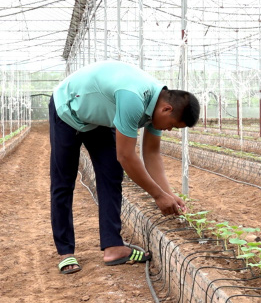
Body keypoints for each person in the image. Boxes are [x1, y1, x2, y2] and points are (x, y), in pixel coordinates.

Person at [49, 60, 200, 274]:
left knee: (111, 176)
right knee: (63, 181)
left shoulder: (156, 106)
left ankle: (114, 248)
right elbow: (126, 156)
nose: (170, 129)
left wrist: (169, 194)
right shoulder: (134, 98)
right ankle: (66, 252)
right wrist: (158, 196)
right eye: (173, 125)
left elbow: (151, 153)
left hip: (100, 119)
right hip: (67, 108)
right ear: (167, 108)